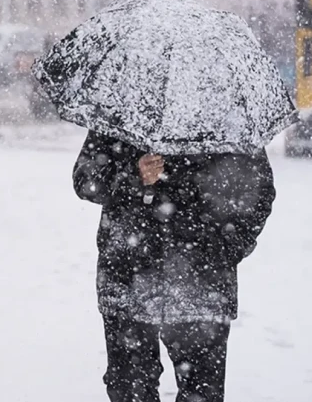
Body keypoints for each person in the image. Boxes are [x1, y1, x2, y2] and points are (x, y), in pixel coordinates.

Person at [73, 131, 276, 402]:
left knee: (202, 392)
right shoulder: (122, 108)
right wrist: (134, 175)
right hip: (128, 278)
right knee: (129, 390)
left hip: (202, 285)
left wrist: (226, 248)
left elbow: (259, 190)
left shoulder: (225, 115)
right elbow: (86, 179)